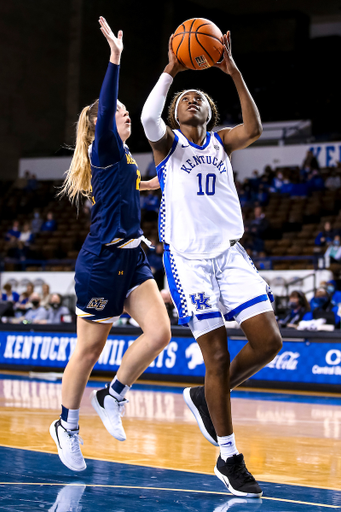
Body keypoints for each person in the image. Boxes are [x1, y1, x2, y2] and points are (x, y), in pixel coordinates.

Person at [141, 31, 282, 498]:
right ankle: (229, 456)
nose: (192, 101)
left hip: (229, 253)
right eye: (184, 99)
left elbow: (255, 129)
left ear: (208, 112)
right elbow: (147, 116)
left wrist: (232, 70)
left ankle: (207, 395)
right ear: (175, 114)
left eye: (199, 98)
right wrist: (172, 70)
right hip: (188, 261)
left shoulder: (220, 142)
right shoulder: (167, 149)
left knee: (269, 342)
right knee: (216, 357)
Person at [49, 17, 170, 473]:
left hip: (132, 259)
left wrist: (175, 175)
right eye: (118, 109)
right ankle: (67, 425)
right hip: (101, 261)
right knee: (89, 350)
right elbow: (105, 104)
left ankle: (112, 394)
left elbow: (142, 185)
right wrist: (114, 58)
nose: (125, 113)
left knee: (158, 333)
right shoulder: (103, 147)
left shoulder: (124, 159)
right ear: (101, 121)